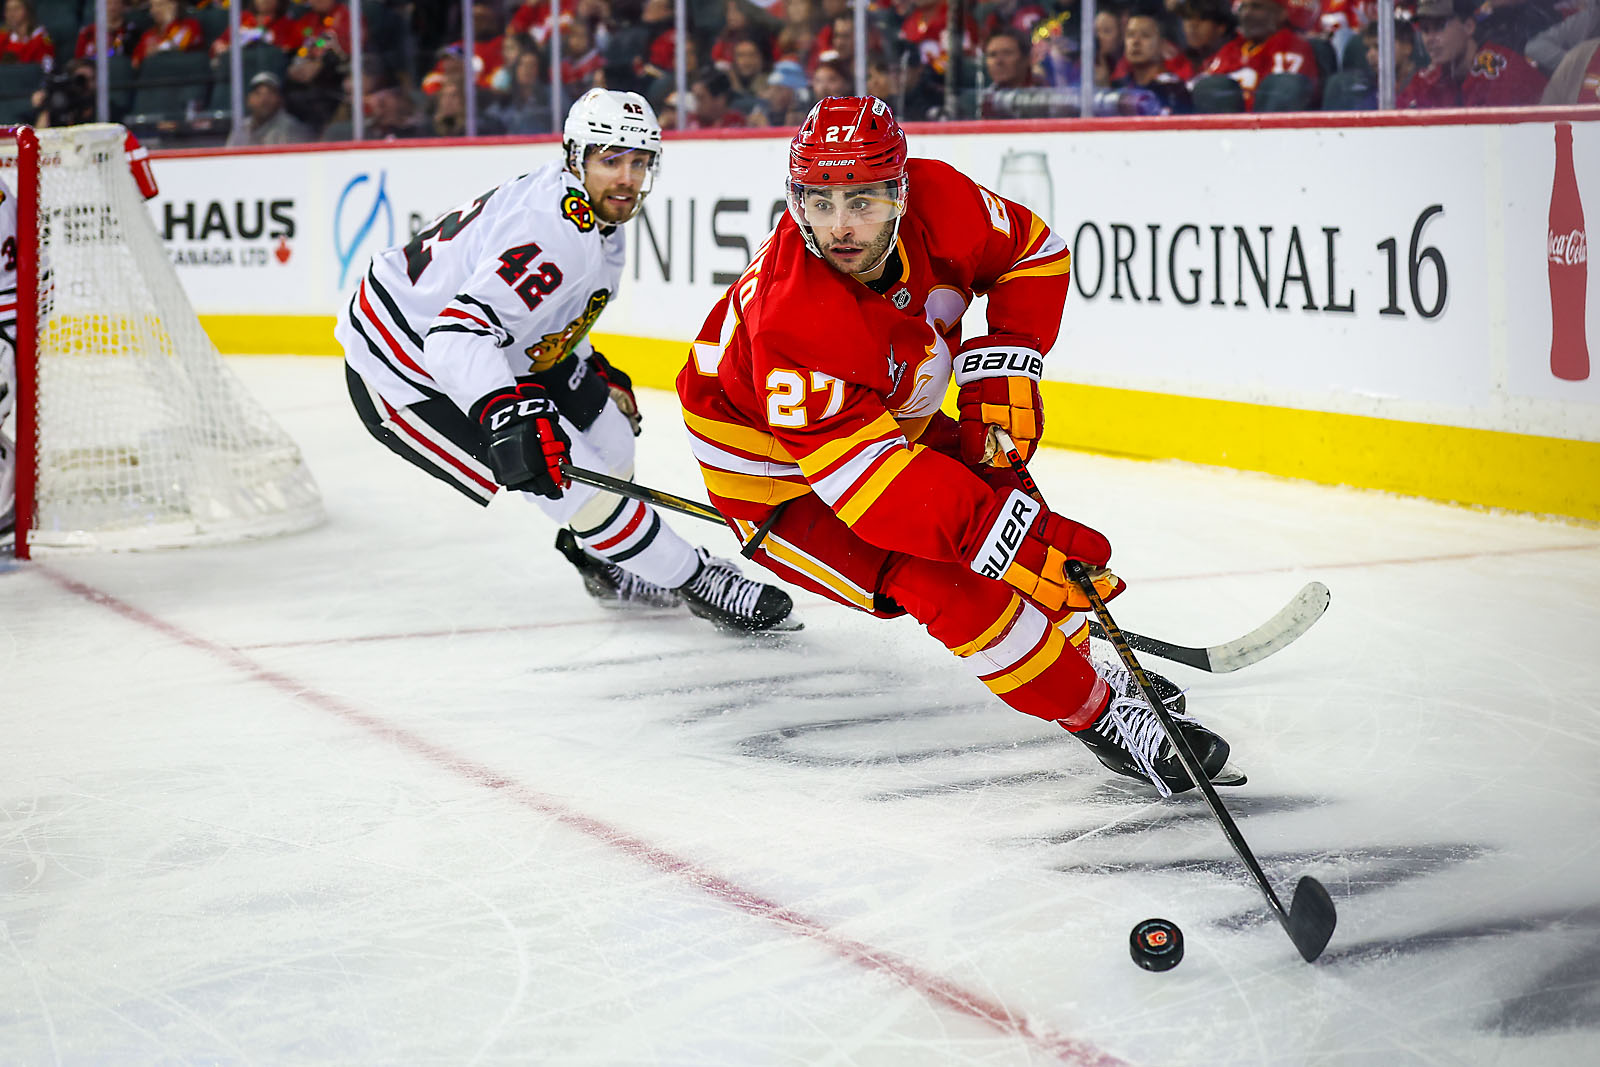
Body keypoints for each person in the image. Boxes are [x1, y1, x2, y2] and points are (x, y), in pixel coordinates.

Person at [675, 97, 1235, 795]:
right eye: (820, 202)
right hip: (782, 478)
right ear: (797, 200)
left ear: (901, 191)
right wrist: (1010, 541)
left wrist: (1006, 367)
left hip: (881, 420)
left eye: (863, 201)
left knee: (1010, 508)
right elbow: (875, 493)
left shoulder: (943, 200)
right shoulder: (795, 318)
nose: (840, 227)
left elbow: (1033, 252)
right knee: (946, 579)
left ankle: (1081, 660)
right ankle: (1100, 716)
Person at [336, 89, 796, 633]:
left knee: (612, 433)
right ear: (576, 157)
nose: (627, 178)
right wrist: (504, 413)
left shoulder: (595, 221)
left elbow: (536, 312)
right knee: (574, 483)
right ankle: (697, 579)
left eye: (639, 162)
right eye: (611, 160)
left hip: (477, 338)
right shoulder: (555, 233)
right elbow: (454, 336)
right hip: (405, 363)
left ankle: (607, 563)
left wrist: (585, 359)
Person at [1399, 0, 1547, 107]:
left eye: (1439, 26)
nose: (1430, 39)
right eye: (1425, 29)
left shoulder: (1501, 72)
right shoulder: (1431, 78)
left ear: (1469, 26)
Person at [1200, 0, 1319, 109]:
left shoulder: (1291, 45)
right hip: (1228, 123)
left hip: (1268, 124)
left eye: (1256, 7)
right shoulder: (1231, 48)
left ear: (1281, 14)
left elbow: (1281, 96)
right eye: (1243, 8)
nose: (1246, 14)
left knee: (1284, 83)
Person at [227, 71, 313, 146]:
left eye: (270, 93)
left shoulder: (292, 128)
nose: (264, 99)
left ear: (280, 100)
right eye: (258, 93)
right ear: (249, 100)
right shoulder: (242, 128)